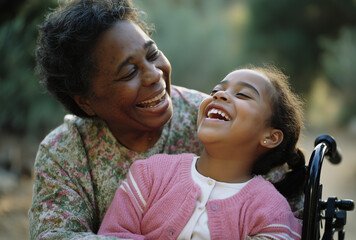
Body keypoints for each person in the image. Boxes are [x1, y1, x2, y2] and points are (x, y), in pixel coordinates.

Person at [29, 0, 303, 239]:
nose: (154, 75)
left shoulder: (213, 118)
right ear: (86, 100)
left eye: (152, 55)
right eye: (128, 73)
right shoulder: (64, 153)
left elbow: (289, 205)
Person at [97, 66, 306, 239]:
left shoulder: (271, 209)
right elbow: (113, 235)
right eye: (216, 90)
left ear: (270, 137)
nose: (220, 95)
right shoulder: (149, 174)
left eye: (242, 94)